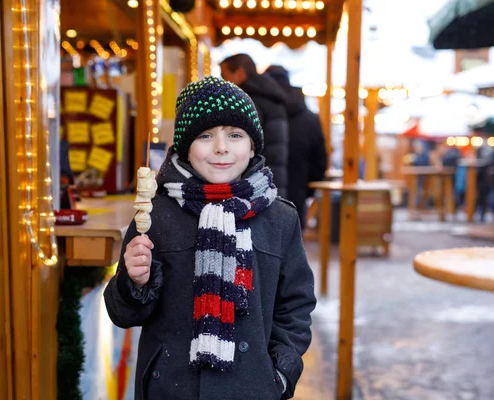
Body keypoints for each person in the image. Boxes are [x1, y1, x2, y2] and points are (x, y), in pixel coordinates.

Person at [104, 76, 316, 400]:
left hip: (253, 388)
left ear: (252, 145)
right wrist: (133, 282)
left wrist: (281, 372)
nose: (221, 147)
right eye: (205, 135)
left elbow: (296, 306)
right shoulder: (155, 216)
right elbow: (124, 314)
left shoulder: (280, 219)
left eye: (235, 135)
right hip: (171, 388)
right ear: (186, 147)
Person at [264, 65, 327, 228]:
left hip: (260, 191)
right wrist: (308, 190)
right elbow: (320, 159)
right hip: (297, 192)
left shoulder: (260, 108)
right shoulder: (311, 118)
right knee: (294, 244)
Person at [220, 54, 289, 197]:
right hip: (271, 178)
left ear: (240, 72)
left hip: (255, 183)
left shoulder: (248, 102)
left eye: (224, 75)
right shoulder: (271, 96)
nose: (223, 81)